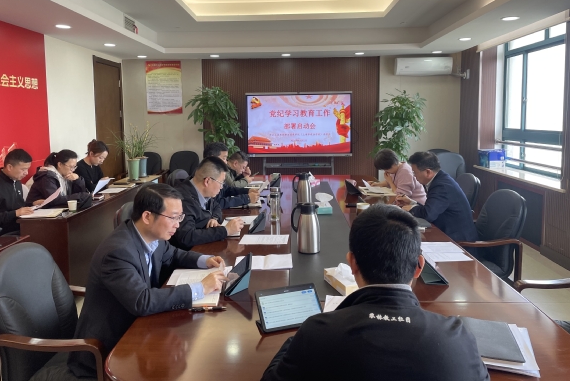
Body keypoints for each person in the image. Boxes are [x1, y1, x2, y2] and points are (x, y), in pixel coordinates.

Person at [262, 204, 489, 381]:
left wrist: (296, 339)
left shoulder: (317, 333)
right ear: (419, 266)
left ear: (352, 263)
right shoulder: (458, 338)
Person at [67, 183, 228, 378]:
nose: (178, 224)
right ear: (147, 216)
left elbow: (173, 254)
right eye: (174, 217)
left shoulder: (151, 236)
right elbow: (142, 301)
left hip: (138, 329)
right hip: (108, 350)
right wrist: (200, 288)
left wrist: (205, 260)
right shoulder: (117, 252)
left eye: (180, 217)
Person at [398, 151, 477, 242]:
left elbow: (428, 214)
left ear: (428, 172)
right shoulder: (440, 179)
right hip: (446, 231)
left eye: (415, 173)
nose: (414, 176)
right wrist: (412, 202)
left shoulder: (441, 186)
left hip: (458, 241)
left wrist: (411, 208)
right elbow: (431, 208)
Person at [172, 157, 244, 250]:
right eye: (221, 182)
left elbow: (216, 206)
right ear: (207, 181)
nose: (221, 187)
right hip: (187, 253)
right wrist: (226, 230)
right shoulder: (183, 200)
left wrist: (214, 218)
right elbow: (187, 237)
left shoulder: (201, 191)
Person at [0, 149, 44, 235]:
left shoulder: (16, 181)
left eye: (27, 169)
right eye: (23, 169)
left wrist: (32, 204)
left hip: (19, 228)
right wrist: (15, 214)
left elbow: (15, 207)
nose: (26, 173)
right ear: (9, 167)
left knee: (47, 229)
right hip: (1, 235)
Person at [202, 142, 259, 208]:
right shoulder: (207, 176)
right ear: (213, 159)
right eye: (224, 158)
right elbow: (217, 203)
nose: (226, 162)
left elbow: (228, 189)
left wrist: (247, 191)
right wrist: (246, 198)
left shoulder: (216, 173)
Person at [26, 150, 90, 207]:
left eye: (74, 167)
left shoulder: (66, 175)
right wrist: (81, 196)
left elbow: (79, 194)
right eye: (71, 167)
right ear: (60, 164)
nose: (72, 170)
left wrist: (78, 180)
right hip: (38, 211)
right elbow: (54, 200)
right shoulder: (47, 176)